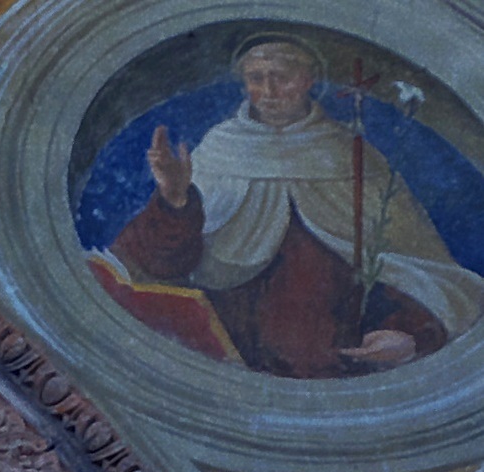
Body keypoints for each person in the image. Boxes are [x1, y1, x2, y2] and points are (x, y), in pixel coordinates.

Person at [100, 33, 483, 374]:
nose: (268, 90)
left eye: (281, 76)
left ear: (308, 80)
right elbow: (158, 264)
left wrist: (412, 334)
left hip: (337, 360)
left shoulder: (349, 155)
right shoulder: (219, 151)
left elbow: (411, 263)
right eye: (255, 78)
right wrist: (174, 198)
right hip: (230, 357)